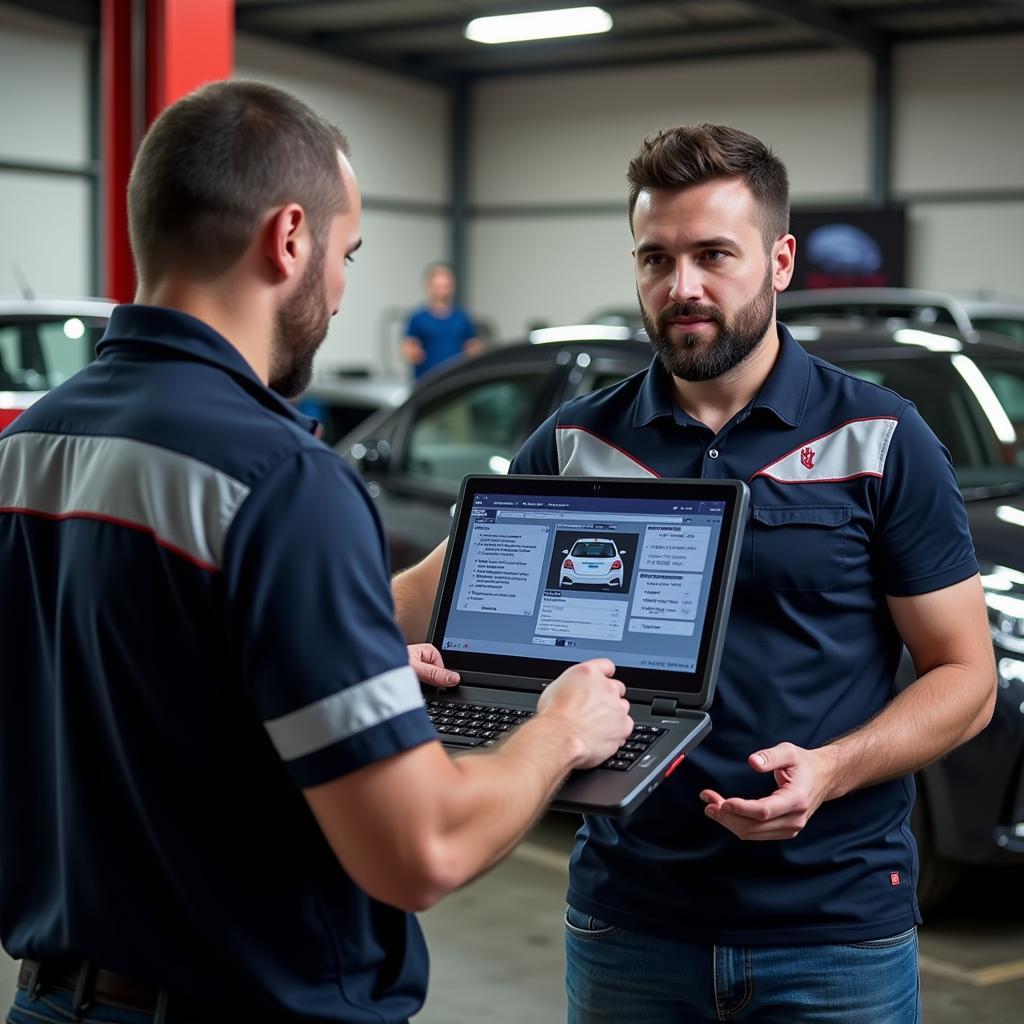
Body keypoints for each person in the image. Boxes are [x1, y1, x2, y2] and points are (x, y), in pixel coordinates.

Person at [0, 80, 634, 1024]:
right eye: (346, 254)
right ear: (289, 237)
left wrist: (343, 676)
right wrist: (561, 733)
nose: (341, 290)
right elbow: (423, 850)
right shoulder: (282, 478)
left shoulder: (28, 446)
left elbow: (129, 687)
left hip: (57, 1000)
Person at [392, 124, 996, 1022]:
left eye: (715, 254)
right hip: (630, 927)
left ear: (781, 260)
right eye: (656, 259)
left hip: (834, 936)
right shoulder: (575, 444)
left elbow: (967, 678)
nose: (684, 288)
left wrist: (831, 769)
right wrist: (390, 656)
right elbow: (414, 600)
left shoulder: (880, 440)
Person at [400, 262, 480, 379]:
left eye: (446, 286)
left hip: (456, 380)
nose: (443, 290)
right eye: (438, 286)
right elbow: (409, 349)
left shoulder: (462, 318)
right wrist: (412, 353)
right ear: (429, 286)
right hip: (427, 383)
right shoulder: (418, 318)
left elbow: (473, 348)